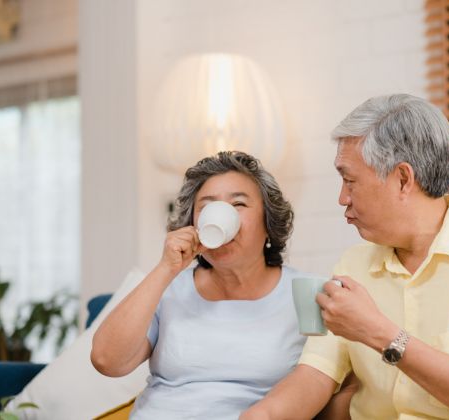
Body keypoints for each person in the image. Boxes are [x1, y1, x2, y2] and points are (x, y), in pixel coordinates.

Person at [241, 94, 449, 419]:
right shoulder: (354, 265)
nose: (341, 198)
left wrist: (379, 332)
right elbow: (315, 374)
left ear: (403, 179)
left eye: (350, 180)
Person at [91, 151, 341, 419]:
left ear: (269, 223)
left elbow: (326, 384)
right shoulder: (168, 289)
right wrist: (167, 268)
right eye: (207, 206)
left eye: (239, 204)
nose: (221, 214)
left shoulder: (307, 292)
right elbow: (107, 361)